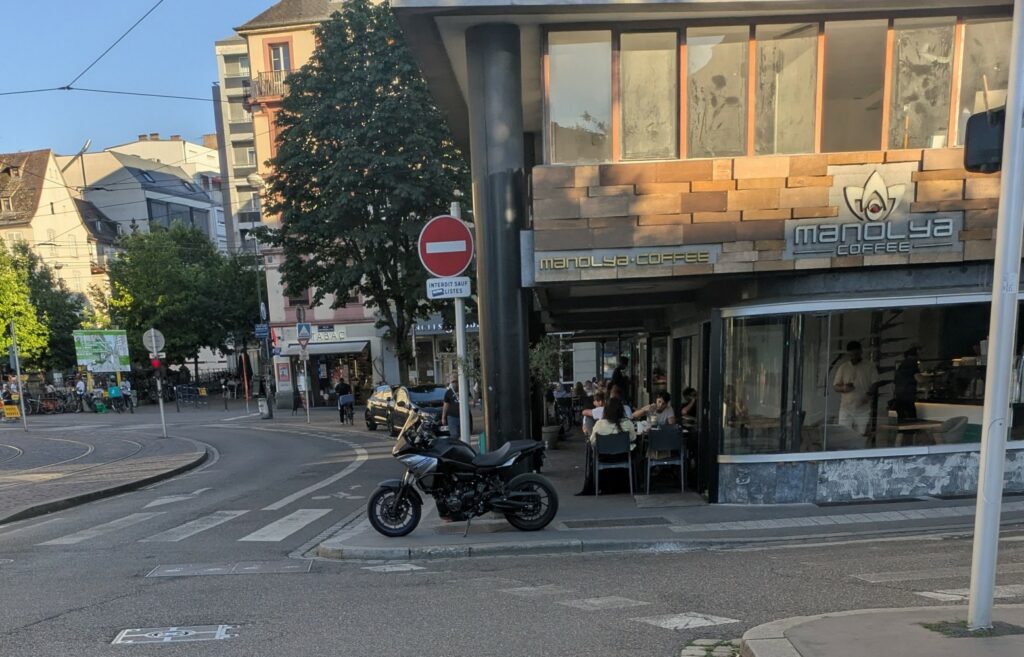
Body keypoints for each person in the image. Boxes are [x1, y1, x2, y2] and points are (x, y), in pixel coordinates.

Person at [577, 397, 637, 495]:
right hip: (623, 456)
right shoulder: (628, 423)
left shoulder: (599, 424)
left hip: (604, 457)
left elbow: (592, 442)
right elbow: (633, 438)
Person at [833, 341, 880, 434]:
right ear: (848, 354)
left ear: (861, 352)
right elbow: (835, 387)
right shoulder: (843, 367)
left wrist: (868, 394)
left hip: (863, 408)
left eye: (856, 354)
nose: (854, 357)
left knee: (861, 435)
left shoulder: (869, 366)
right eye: (851, 355)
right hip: (846, 408)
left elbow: (876, 383)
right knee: (844, 434)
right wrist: (843, 388)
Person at [893, 347, 921, 421]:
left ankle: (902, 432)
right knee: (911, 420)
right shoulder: (912, 363)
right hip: (908, 397)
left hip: (899, 397)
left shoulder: (901, 365)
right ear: (915, 355)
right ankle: (910, 432)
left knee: (902, 421)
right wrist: (931, 378)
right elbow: (919, 379)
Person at [442, 375, 466, 442]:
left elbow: (471, 400)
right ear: (450, 383)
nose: (455, 383)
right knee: (454, 435)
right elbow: (445, 405)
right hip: (452, 417)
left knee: (463, 435)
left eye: (456, 381)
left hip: (463, 417)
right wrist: (443, 417)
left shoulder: (464, 390)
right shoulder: (448, 392)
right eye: (453, 382)